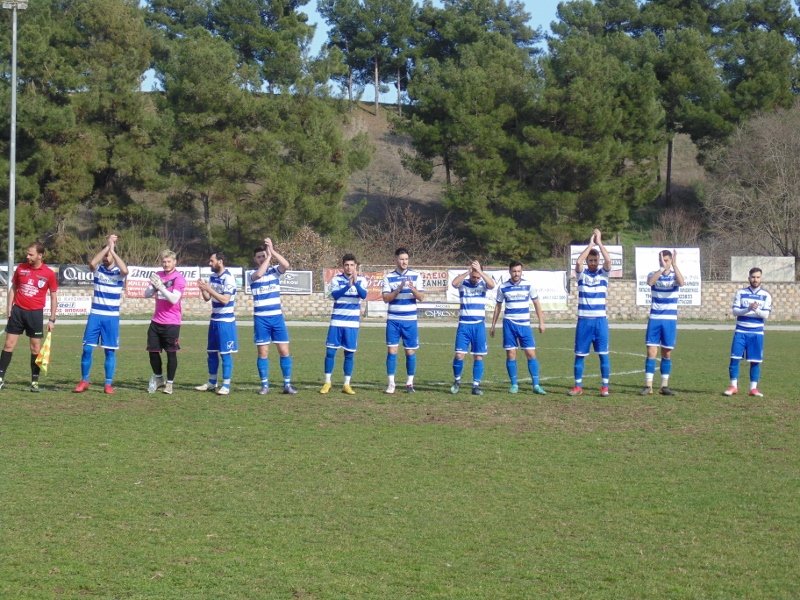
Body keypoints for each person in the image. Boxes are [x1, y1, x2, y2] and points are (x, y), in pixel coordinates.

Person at [73, 234, 129, 394]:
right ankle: (84, 381)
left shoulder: (119, 273)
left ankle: (108, 384)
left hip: (111, 318)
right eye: (104, 256)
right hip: (95, 316)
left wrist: (113, 250)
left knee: (109, 351)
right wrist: (107, 246)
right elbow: (91, 263)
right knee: (87, 349)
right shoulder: (98, 271)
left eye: (108, 256)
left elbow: (125, 270)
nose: (105, 258)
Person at [0, 241, 58, 392]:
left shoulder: (48, 274)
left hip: (35, 314)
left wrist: (52, 318)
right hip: (18, 311)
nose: (27, 256)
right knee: (8, 345)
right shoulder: (21, 269)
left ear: (40, 255)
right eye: (27, 253)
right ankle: (0, 378)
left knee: (35, 348)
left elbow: (53, 296)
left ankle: (34, 381)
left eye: (31, 254)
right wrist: (9, 307)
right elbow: (14, 287)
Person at [490, 261, 547, 395]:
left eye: (518, 271)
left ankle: (536, 385)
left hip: (525, 325)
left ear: (522, 272)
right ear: (510, 272)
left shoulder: (529, 285)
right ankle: (514, 384)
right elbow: (498, 306)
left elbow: (537, 304)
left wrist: (541, 322)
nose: (516, 274)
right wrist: (493, 325)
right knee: (511, 354)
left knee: (531, 354)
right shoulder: (503, 287)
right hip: (509, 324)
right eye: (514, 271)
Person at [249, 238, 297, 395]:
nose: (262, 258)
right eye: (259, 257)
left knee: (284, 351)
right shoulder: (252, 274)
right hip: (261, 319)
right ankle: (264, 385)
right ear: (254, 259)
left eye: (263, 256)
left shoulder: (275, 271)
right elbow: (260, 273)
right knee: (263, 353)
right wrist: (268, 257)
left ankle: (287, 384)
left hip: (277, 318)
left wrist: (273, 251)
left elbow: (286, 265)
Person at [569, 229, 612, 397]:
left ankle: (605, 387)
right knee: (580, 355)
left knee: (603, 355)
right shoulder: (581, 275)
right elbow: (578, 263)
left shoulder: (604, 274)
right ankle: (578, 386)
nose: (593, 263)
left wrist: (600, 243)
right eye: (591, 260)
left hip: (600, 321)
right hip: (584, 321)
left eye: (595, 260)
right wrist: (590, 244)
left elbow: (608, 260)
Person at [320, 254, 368, 395]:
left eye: (352, 265)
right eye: (346, 265)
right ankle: (327, 382)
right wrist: (348, 285)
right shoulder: (336, 279)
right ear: (343, 266)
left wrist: (355, 282)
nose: (349, 267)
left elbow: (363, 295)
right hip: (336, 322)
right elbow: (335, 295)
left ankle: (346, 384)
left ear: (355, 266)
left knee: (349, 354)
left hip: (352, 324)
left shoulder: (362, 280)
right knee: (330, 352)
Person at [641, 249, 685, 396]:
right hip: (655, 319)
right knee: (651, 352)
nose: (664, 263)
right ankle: (648, 386)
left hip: (669, 320)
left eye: (667, 260)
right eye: (662, 260)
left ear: (671, 260)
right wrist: (661, 268)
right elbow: (650, 282)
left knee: (666, 353)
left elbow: (682, 282)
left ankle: (664, 386)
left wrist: (675, 265)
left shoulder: (674, 276)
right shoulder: (654, 274)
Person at [723, 267, 772, 397]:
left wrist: (755, 310)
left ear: (761, 278)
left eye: (758, 277)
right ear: (748, 278)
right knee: (734, 358)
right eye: (753, 277)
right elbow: (735, 312)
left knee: (755, 361)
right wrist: (748, 308)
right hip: (741, 330)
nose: (755, 279)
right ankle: (733, 386)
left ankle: (753, 388)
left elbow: (765, 315)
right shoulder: (740, 293)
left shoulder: (766, 295)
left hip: (756, 333)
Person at [382, 247, 425, 394]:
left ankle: (409, 383)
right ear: (396, 260)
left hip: (410, 321)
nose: (404, 261)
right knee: (392, 350)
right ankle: (391, 384)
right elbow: (385, 299)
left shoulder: (416, 276)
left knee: (410, 352)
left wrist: (413, 289)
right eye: (401, 259)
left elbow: (421, 297)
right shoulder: (388, 277)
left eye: (406, 259)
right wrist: (398, 289)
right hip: (393, 320)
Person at [195, 251, 238, 396]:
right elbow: (208, 298)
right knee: (211, 352)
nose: (209, 263)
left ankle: (226, 384)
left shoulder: (229, 278)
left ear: (220, 261)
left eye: (211, 261)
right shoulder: (213, 277)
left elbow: (225, 300)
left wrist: (209, 289)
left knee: (225, 353)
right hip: (214, 320)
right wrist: (203, 289)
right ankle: (212, 382)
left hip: (225, 321)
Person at [450, 260, 495, 396]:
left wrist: (480, 271)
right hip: (464, 325)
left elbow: (492, 285)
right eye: (473, 276)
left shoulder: (483, 283)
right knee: (459, 355)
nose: (475, 279)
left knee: (478, 356)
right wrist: (468, 271)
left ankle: (476, 385)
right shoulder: (463, 283)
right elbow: (454, 283)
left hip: (478, 325)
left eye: (477, 277)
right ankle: (457, 381)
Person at [145, 250, 186, 395]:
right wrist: (154, 285)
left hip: (172, 322)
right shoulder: (158, 275)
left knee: (171, 353)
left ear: (175, 262)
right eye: (164, 261)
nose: (166, 264)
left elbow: (174, 299)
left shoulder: (179, 278)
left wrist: (161, 287)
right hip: (156, 321)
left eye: (169, 261)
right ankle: (158, 378)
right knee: (153, 352)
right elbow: (147, 294)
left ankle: (169, 383)